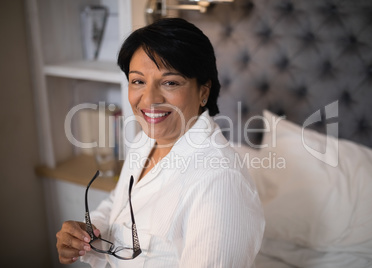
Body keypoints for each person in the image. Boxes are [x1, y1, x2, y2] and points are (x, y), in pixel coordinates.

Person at [56, 18, 265, 267]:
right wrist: (86, 234)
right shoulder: (145, 139)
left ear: (203, 92)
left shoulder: (219, 183)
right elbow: (120, 201)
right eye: (138, 81)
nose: (149, 99)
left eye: (170, 82)